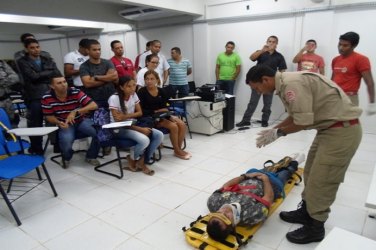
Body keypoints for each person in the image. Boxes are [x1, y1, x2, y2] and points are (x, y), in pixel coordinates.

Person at [246, 64, 363, 244]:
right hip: (327, 130)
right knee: (310, 172)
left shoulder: (292, 84)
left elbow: (302, 122)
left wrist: (279, 133)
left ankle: (316, 226)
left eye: (257, 88)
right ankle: (307, 211)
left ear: (265, 80)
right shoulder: (285, 82)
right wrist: (273, 130)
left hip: (341, 131)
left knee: (323, 179)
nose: (259, 92)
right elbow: (295, 115)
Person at [206, 155, 304, 241]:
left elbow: (226, 185)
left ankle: (283, 161)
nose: (224, 211)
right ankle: (294, 164)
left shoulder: (213, 203)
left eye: (219, 213)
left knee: (271, 167)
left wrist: (244, 176)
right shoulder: (251, 216)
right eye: (226, 216)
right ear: (232, 226)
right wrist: (265, 180)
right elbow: (268, 198)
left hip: (251, 177)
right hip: (273, 185)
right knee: (286, 172)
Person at [41, 75, 100, 168]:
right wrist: (58, 122)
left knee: (99, 132)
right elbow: (49, 116)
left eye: (64, 82)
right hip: (65, 123)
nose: (63, 85)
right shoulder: (46, 97)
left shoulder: (75, 91)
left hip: (81, 120)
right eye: (59, 83)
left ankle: (91, 156)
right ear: (52, 86)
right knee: (66, 142)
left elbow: (94, 105)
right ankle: (66, 158)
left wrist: (76, 111)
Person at [108, 76, 163, 175]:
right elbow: (118, 121)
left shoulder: (134, 95)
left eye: (134, 85)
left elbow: (140, 113)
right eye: (129, 86)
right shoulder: (114, 98)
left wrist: (125, 116)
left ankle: (140, 160)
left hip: (131, 124)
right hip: (118, 129)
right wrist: (139, 129)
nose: (133, 88)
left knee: (159, 135)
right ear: (121, 87)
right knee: (144, 139)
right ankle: (135, 159)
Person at [17, 38, 60, 155]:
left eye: (37, 47)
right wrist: (48, 73)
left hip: (51, 93)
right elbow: (32, 77)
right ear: (26, 49)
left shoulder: (46, 59)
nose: (36, 50)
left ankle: (57, 145)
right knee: (36, 123)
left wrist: (41, 75)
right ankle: (37, 148)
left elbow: (57, 74)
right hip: (34, 95)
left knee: (54, 120)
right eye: (32, 48)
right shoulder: (22, 61)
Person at [138, 70, 191, 160]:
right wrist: (155, 111)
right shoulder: (141, 92)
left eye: (152, 79)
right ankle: (177, 150)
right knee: (174, 126)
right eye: (147, 79)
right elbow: (141, 110)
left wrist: (168, 114)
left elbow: (166, 105)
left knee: (182, 124)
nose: (149, 81)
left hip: (162, 115)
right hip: (149, 118)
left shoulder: (161, 91)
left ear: (157, 80)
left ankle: (178, 148)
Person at [236, 36, 287, 128]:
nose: (271, 43)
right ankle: (245, 120)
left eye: (273, 42)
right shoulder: (261, 52)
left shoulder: (279, 56)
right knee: (253, 102)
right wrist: (262, 50)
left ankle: (264, 121)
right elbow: (251, 58)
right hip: (257, 82)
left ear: (276, 44)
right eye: (269, 41)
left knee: (267, 103)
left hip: (270, 84)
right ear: (266, 42)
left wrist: (278, 83)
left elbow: (283, 70)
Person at [331, 31, 375, 113]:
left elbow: (370, 82)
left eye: (345, 45)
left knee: (349, 124)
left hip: (349, 98)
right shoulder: (335, 60)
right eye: (339, 44)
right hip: (334, 97)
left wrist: (372, 104)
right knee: (332, 124)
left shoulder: (361, 59)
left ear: (354, 46)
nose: (341, 48)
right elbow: (332, 80)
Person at [80, 39, 118, 109]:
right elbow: (87, 84)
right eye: (94, 50)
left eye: (99, 49)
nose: (98, 52)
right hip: (95, 100)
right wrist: (108, 78)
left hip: (112, 98)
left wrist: (96, 77)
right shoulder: (84, 66)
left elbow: (114, 77)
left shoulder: (108, 62)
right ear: (88, 51)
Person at [0, 60, 20, 127]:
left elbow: (15, 77)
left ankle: (14, 137)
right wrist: (6, 80)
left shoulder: (2, 63)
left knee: (12, 124)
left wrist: (2, 82)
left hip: (7, 101)